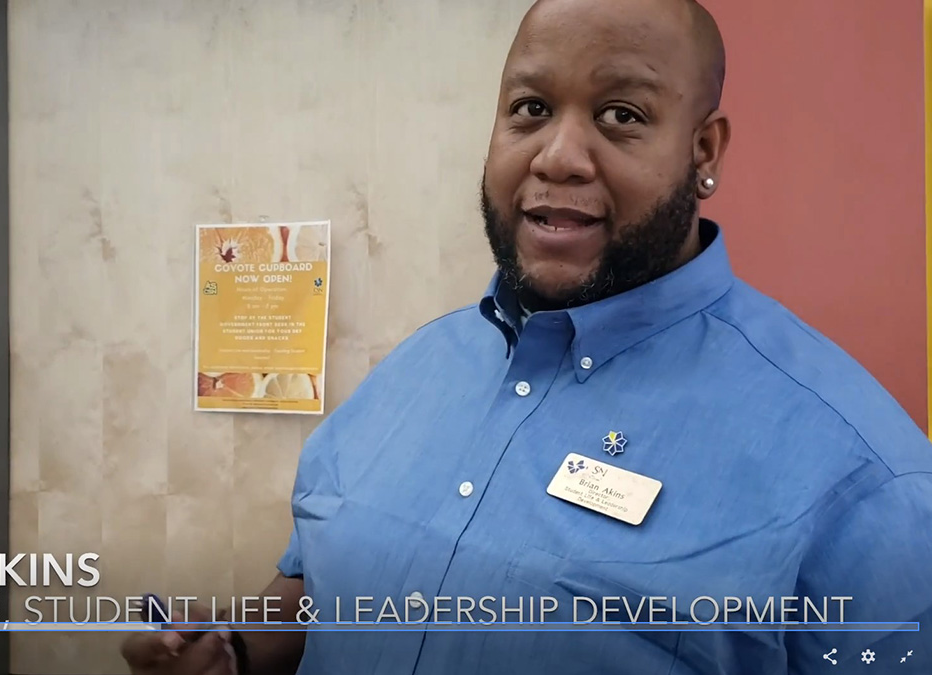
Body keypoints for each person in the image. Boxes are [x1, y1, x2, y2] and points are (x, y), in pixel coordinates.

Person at [121, 0, 932, 672]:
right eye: (531, 110)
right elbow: (314, 592)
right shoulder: (412, 374)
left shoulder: (867, 485)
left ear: (703, 150)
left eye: (621, 115)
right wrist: (230, 649)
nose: (559, 155)